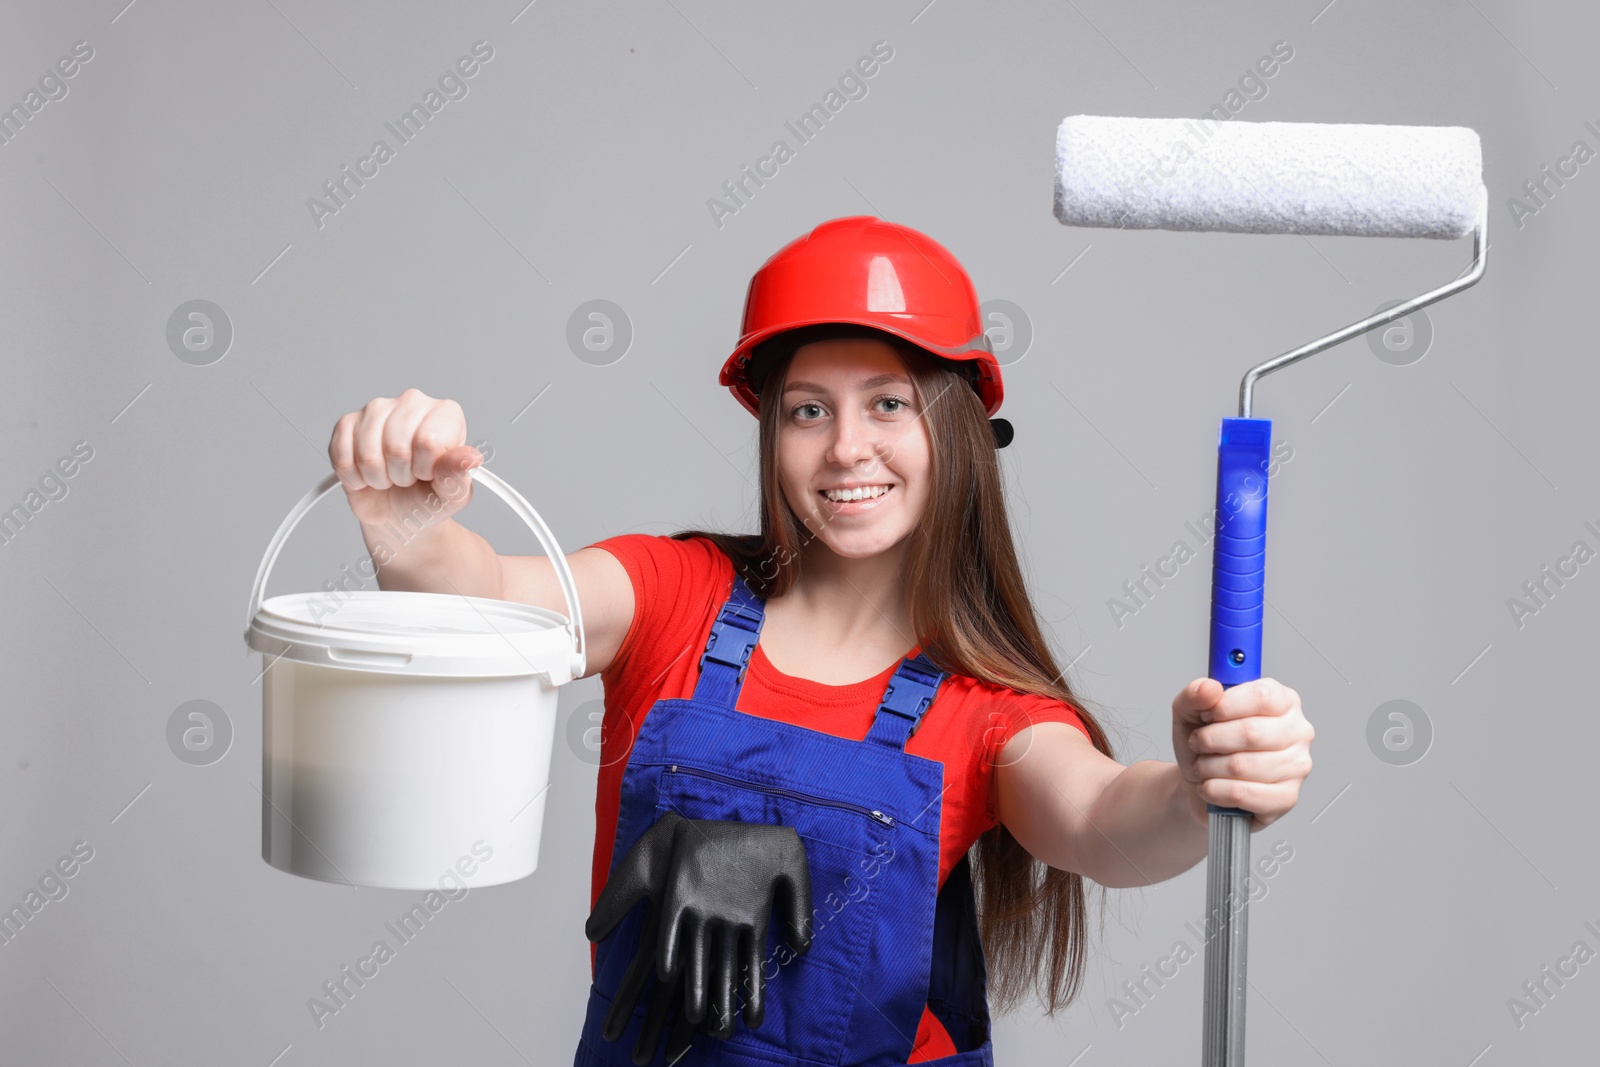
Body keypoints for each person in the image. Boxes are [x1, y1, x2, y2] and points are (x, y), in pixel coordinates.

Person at [327, 216, 1315, 1065]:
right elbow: (488, 603)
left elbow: (1103, 819)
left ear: (959, 430)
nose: (846, 447)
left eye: (888, 402)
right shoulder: (673, 592)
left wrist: (1197, 787)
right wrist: (409, 523)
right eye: (809, 410)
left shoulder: (988, 711)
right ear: (769, 428)